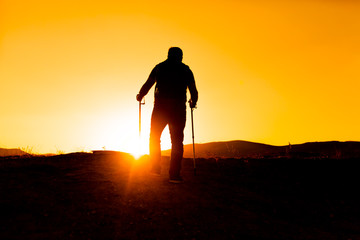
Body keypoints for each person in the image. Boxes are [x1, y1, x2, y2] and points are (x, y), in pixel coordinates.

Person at [136, 47, 198, 183]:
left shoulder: (159, 68)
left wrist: (140, 95)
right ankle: (174, 175)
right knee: (176, 141)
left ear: (168, 55)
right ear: (180, 56)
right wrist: (193, 102)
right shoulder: (186, 70)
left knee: (154, 137)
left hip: (160, 108)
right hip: (178, 109)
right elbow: (193, 90)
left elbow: (148, 84)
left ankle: (155, 168)